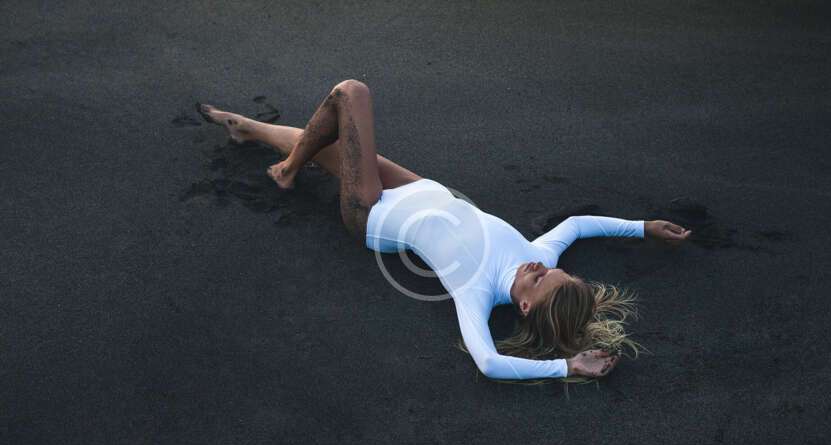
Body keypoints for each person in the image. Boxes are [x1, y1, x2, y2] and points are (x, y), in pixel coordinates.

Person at [196, 79, 691, 381]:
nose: (539, 265)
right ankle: (249, 130)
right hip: (420, 189)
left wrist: (567, 366)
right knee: (328, 147)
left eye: (540, 279)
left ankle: (286, 171)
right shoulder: (537, 256)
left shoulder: (475, 292)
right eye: (550, 269)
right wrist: (643, 227)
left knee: (351, 94)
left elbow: (489, 362)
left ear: (524, 306)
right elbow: (579, 225)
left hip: (373, 213)